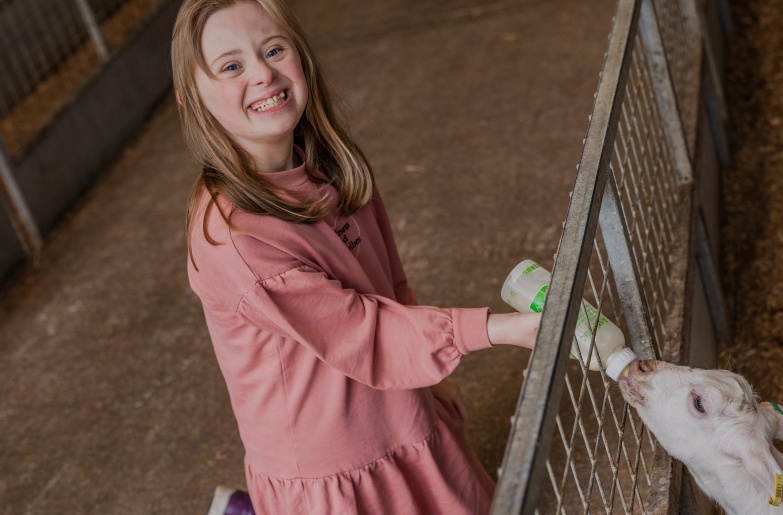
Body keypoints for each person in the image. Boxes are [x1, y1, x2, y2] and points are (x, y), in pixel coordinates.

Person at [171, 1, 540, 513]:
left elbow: (390, 283)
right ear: (192, 96)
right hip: (333, 462)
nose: (262, 73)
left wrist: (430, 378)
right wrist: (500, 330)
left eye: (273, 49)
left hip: (398, 412)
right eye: (231, 66)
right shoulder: (234, 238)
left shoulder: (333, 169)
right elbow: (362, 331)